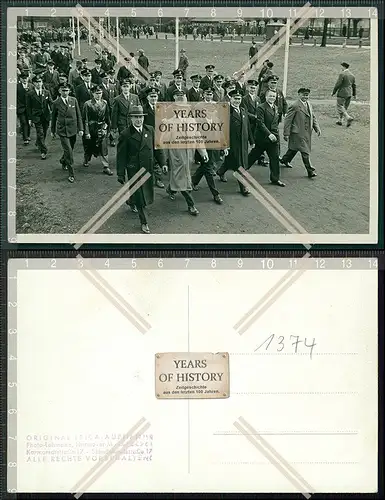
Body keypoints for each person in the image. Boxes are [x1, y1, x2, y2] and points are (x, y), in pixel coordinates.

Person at [116, 105, 167, 234]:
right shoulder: (126, 134)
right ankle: (144, 222)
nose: (138, 120)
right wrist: (120, 173)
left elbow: (157, 148)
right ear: (131, 119)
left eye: (140, 117)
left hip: (148, 167)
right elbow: (121, 155)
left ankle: (130, 201)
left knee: (142, 191)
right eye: (135, 117)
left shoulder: (150, 130)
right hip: (134, 169)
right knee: (141, 196)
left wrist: (163, 163)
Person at [165, 89, 206, 215]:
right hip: (176, 156)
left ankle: (170, 189)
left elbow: (197, 137)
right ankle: (191, 205)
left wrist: (203, 152)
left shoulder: (192, 121)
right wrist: (164, 161)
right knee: (184, 182)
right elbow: (163, 142)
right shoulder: (170, 123)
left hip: (189, 156)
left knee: (181, 178)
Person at [216, 89, 253, 196]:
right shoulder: (227, 112)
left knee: (230, 161)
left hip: (243, 143)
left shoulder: (243, 110)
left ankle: (220, 172)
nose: (237, 101)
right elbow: (222, 129)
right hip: (232, 143)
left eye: (239, 99)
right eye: (235, 98)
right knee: (239, 165)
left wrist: (251, 140)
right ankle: (243, 187)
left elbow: (247, 127)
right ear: (231, 99)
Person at [191, 88, 224, 205]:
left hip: (213, 148)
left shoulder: (216, 119)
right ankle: (216, 194)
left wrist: (224, 147)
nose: (211, 111)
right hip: (203, 149)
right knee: (209, 171)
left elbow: (220, 132)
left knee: (204, 168)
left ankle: (191, 183)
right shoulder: (199, 120)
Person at [247, 89, 285, 187]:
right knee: (253, 156)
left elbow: (275, 123)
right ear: (266, 97)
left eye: (274, 96)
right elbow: (260, 123)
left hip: (273, 138)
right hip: (262, 138)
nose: (272, 98)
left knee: (275, 158)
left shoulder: (276, 108)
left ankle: (275, 179)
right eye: (270, 96)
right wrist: (269, 134)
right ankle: (240, 170)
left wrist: (276, 135)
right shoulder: (261, 107)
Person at [280, 88, 320, 179]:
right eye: (304, 95)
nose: (305, 97)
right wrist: (286, 133)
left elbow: (312, 117)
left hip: (306, 133)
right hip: (297, 133)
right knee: (305, 151)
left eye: (307, 95)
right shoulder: (295, 106)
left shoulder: (309, 104)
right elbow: (288, 120)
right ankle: (310, 170)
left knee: (293, 149)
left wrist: (317, 128)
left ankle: (284, 160)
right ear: (299, 94)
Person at [51, 82, 84, 183]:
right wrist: (52, 131)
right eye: (63, 90)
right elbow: (53, 118)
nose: (65, 92)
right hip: (63, 130)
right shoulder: (56, 103)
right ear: (59, 91)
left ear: (69, 91)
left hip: (73, 129)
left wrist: (81, 129)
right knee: (69, 151)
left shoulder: (73, 100)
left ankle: (63, 160)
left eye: (66, 90)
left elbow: (78, 115)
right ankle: (71, 173)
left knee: (70, 149)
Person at [82, 84, 112, 175]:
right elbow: (85, 119)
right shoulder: (87, 104)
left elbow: (107, 117)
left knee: (103, 147)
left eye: (100, 93)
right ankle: (86, 159)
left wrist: (107, 128)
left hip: (102, 128)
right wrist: (86, 132)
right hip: (91, 129)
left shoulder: (105, 103)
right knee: (89, 147)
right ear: (92, 93)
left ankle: (106, 166)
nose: (99, 95)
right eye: (96, 93)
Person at [142, 86, 165, 188]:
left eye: (155, 96)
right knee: (148, 157)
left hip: (160, 136)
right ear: (147, 98)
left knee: (159, 156)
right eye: (151, 97)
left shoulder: (162, 108)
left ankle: (158, 178)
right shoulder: (143, 109)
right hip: (148, 137)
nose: (153, 99)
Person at [26, 73, 52, 160]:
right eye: (36, 82)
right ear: (33, 83)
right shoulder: (30, 94)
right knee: (40, 133)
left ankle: (39, 142)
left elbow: (51, 103)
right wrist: (30, 118)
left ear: (42, 82)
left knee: (44, 132)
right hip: (36, 116)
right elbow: (28, 107)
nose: (38, 84)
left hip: (46, 116)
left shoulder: (47, 92)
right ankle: (43, 151)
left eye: (40, 82)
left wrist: (54, 111)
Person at [332, 62, 356, 127]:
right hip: (349, 93)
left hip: (342, 92)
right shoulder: (352, 75)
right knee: (344, 107)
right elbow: (354, 85)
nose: (341, 68)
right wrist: (354, 94)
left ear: (344, 67)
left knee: (339, 106)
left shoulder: (342, 74)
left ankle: (348, 117)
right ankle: (340, 120)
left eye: (341, 66)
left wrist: (334, 92)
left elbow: (338, 84)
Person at [17, 72, 33, 145]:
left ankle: (28, 135)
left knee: (28, 122)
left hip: (30, 108)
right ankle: (25, 138)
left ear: (28, 78)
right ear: (20, 79)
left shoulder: (31, 86)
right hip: (21, 108)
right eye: (23, 78)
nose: (24, 80)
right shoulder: (17, 87)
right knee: (24, 122)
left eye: (26, 78)